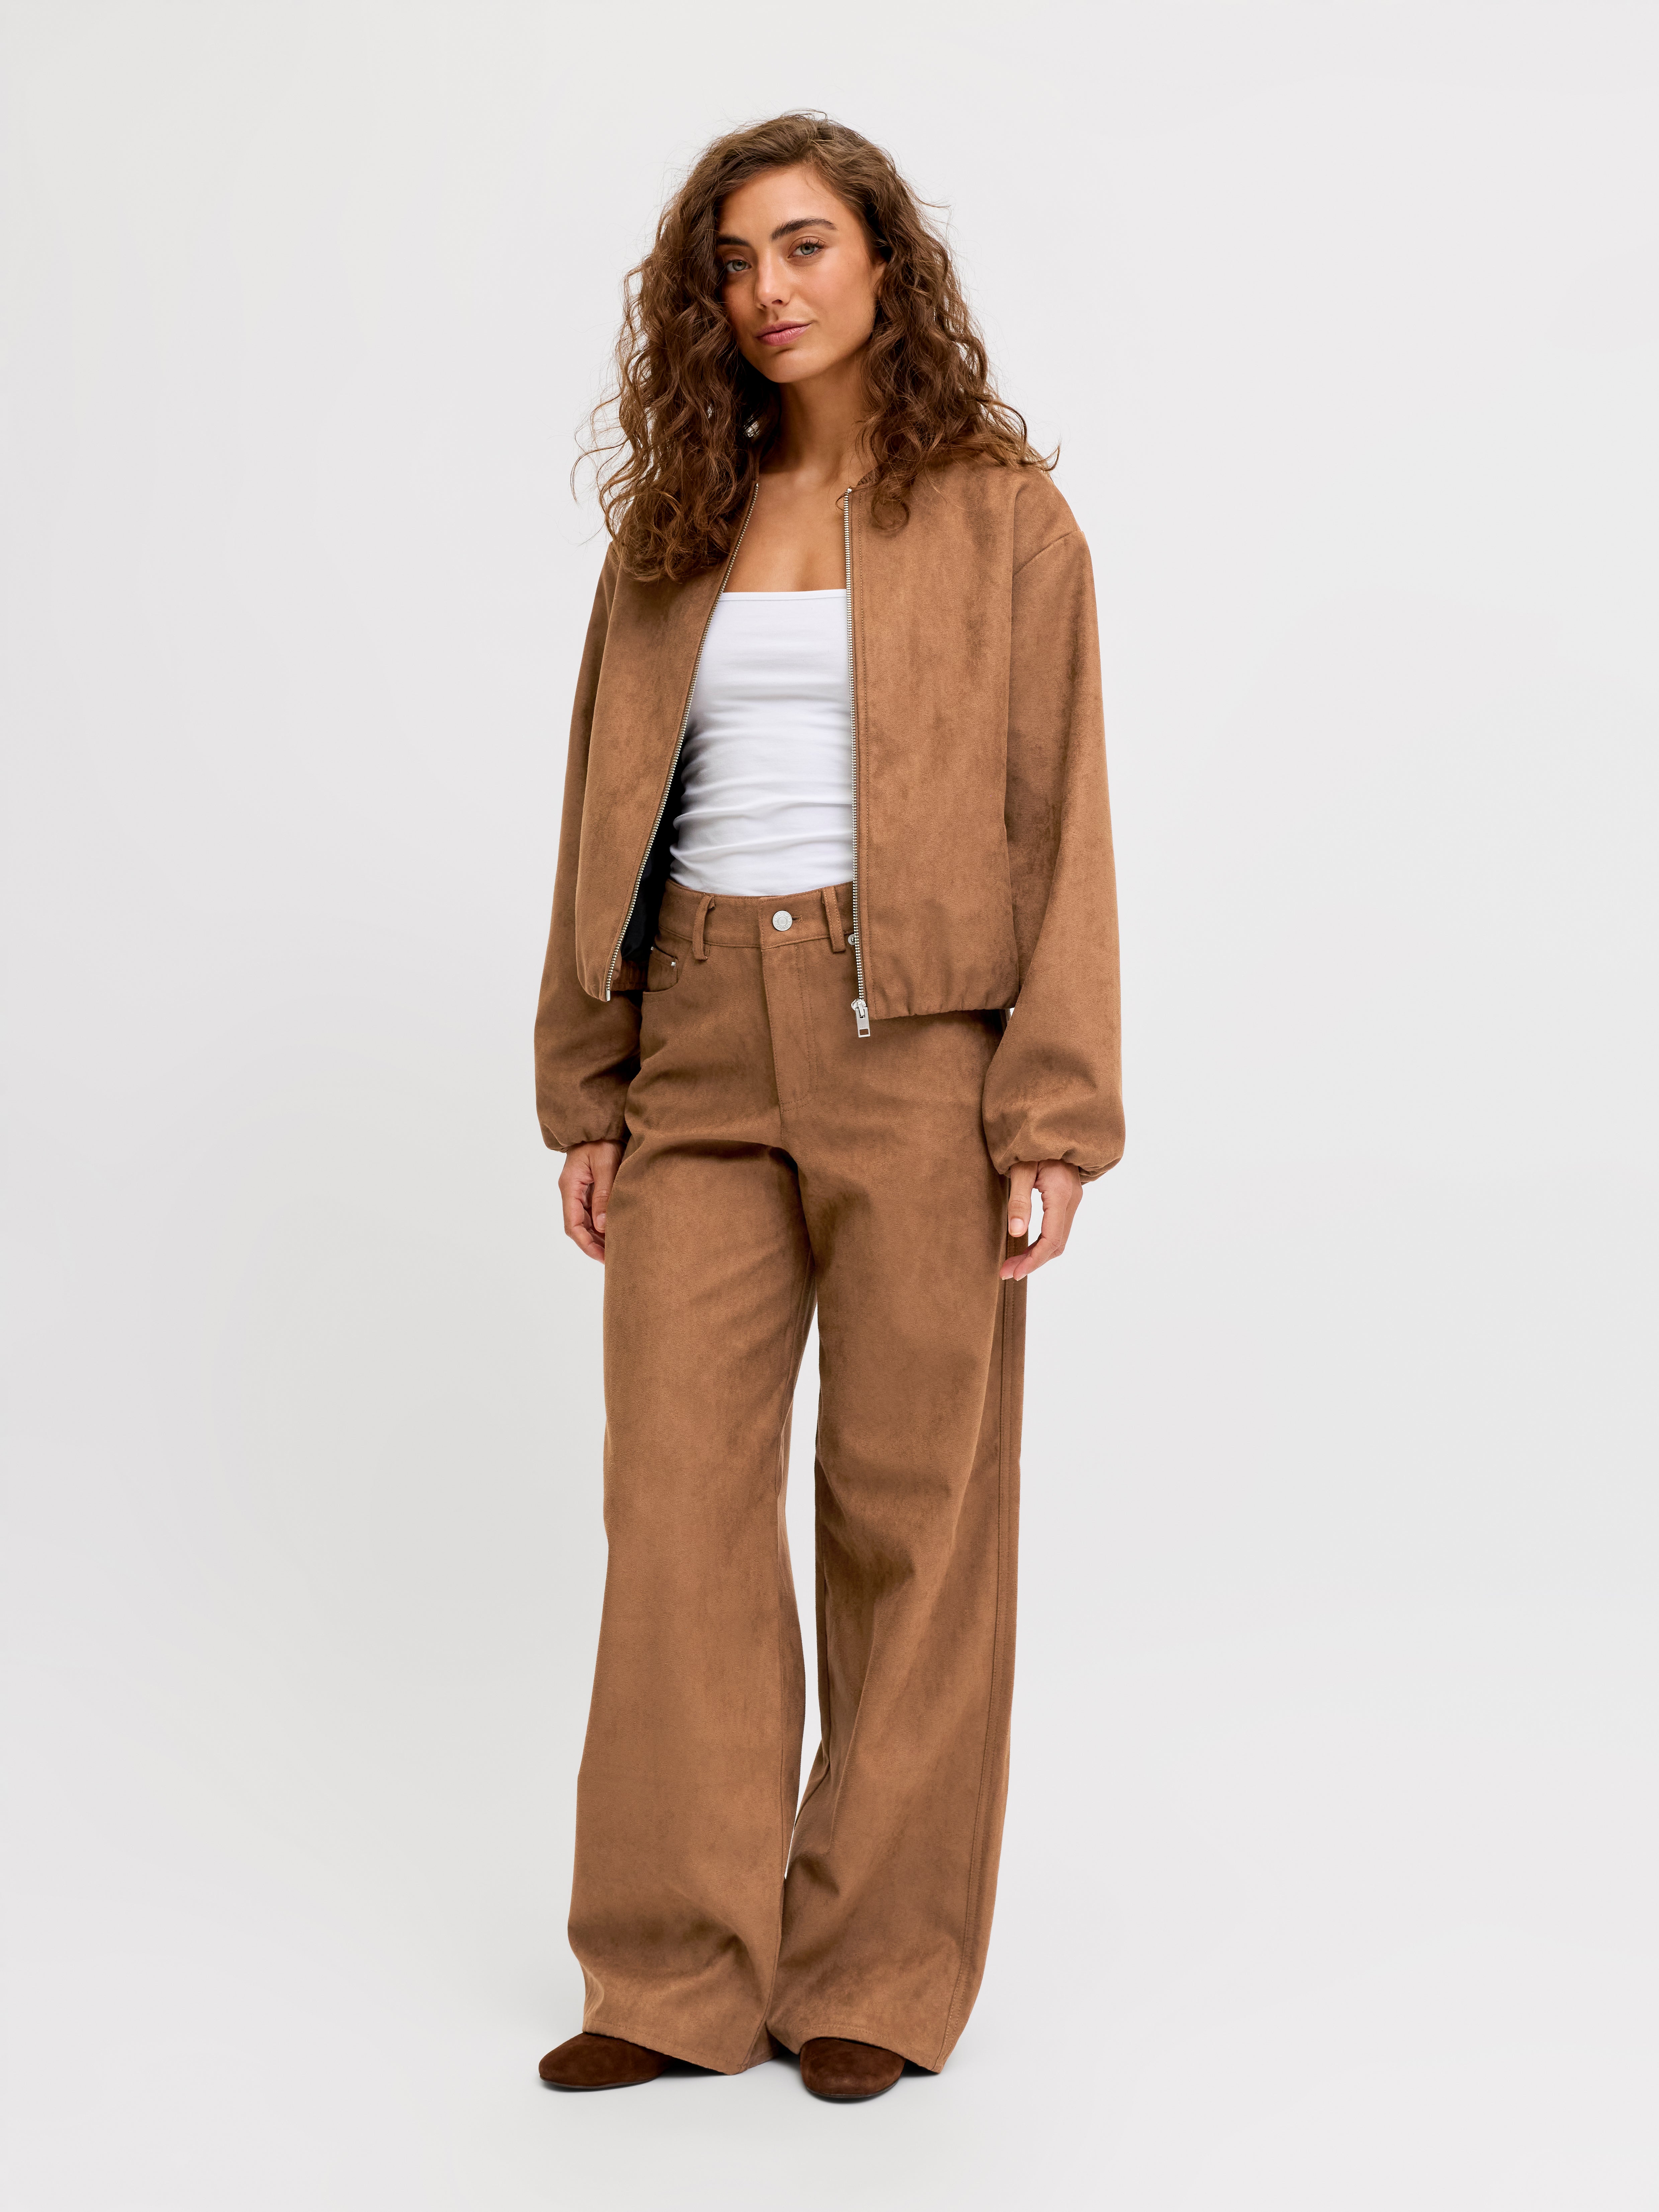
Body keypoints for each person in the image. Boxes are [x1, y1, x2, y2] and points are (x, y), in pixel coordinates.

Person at [532, 112, 1122, 2103]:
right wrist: (587, 1082)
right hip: (698, 1034)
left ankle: (875, 1963)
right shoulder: (677, 525)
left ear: (885, 263)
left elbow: (1065, 817)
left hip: (921, 1044)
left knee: (909, 1511)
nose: (766, 290)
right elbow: (600, 805)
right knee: (676, 1510)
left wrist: (1053, 1110)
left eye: (802, 246)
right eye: (732, 262)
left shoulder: (1006, 520)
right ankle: (672, 1970)